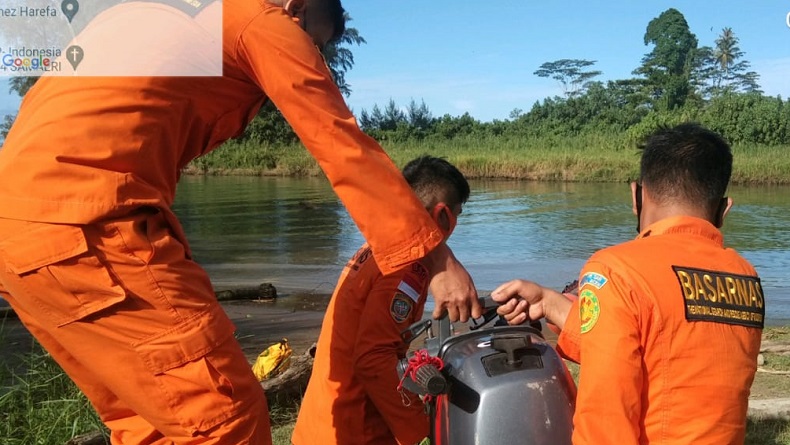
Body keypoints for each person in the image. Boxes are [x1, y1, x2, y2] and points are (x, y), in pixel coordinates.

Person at [0, 0, 481, 443]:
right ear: (299, 7)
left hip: (19, 231)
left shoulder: (156, 15)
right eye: (317, 42)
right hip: (88, 221)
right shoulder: (261, 17)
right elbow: (340, 143)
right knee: (225, 415)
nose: (313, 55)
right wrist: (437, 257)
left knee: (150, 422)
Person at [492, 123, 764, 444]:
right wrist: (550, 303)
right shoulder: (744, 276)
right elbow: (667, 349)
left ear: (637, 194)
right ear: (723, 209)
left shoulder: (617, 269)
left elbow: (606, 418)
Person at [292, 155, 470, 445]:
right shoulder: (407, 267)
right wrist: (421, 426)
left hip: (324, 418)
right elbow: (374, 359)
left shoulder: (376, 247)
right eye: (458, 214)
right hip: (355, 427)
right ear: (443, 216)